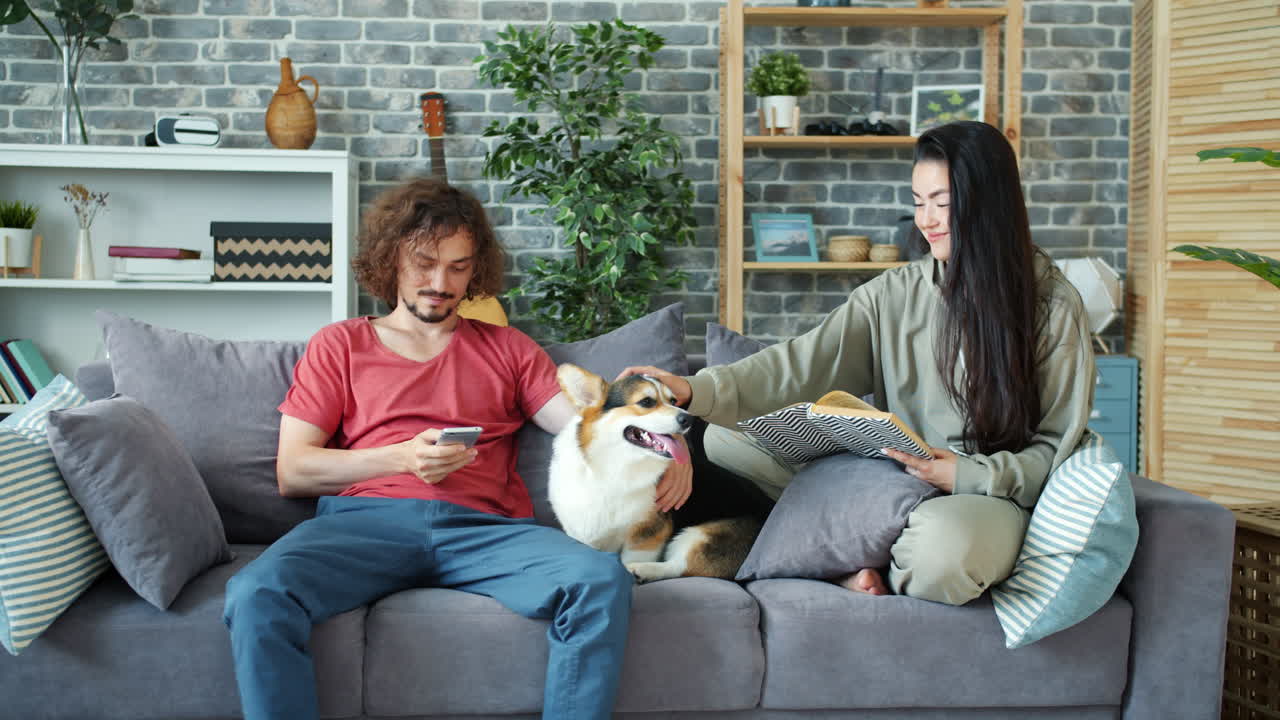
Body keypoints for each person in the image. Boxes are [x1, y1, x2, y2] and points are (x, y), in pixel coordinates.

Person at [222, 177, 692, 720]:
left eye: (458, 266)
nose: (439, 282)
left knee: (599, 579)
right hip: (363, 524)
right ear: (391, 257)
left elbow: (590, 426)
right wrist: (403, 457)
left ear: (477, 270)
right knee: (255, 594)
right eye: (423, 262)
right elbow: (294, 470)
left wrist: (676, 452)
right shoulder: (340, 344)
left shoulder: (509, 348)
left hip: (486, 531)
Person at [624, 121, 1095, 606]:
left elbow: (1056, 448)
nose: (926, 220)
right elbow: (799, 365)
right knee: (726, 437)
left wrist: (969, 475)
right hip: (893, 479)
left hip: (981, 496)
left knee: (944, 553)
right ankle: (852, 558)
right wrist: (693, 389)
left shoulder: (1052, 307)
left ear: (989, 204)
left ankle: (851, 561)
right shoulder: (893, 293)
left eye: (942, 203)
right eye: (918, 202)